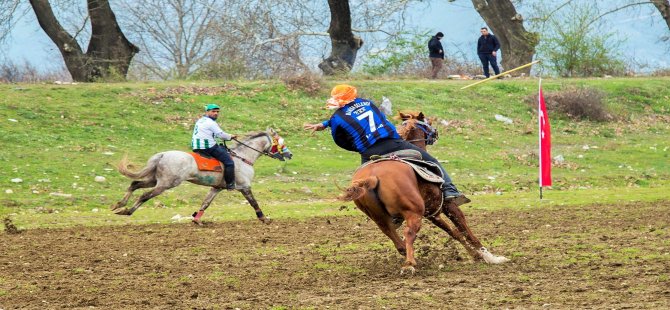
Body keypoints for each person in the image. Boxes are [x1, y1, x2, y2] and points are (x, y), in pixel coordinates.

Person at [303, 84, 469, 206]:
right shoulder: (368, 103)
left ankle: (385, 212)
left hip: (369, 152)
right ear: (352, 95)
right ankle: (450, 190)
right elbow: (382, 119)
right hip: (394, 143)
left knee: (364, 186)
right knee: (432, 161)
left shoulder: (336, 118)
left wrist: (355, 145)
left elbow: (340, 140)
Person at [191, 103, 237, 190]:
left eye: (217, 112)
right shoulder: (211, 123)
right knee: (229, 162)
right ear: (207, 112)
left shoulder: (200, 120)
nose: (216, 113)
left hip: (196, 147)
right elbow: (221, 135)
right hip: (208, 147)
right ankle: (230, 184)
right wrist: (231, 136)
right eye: (213, 111)